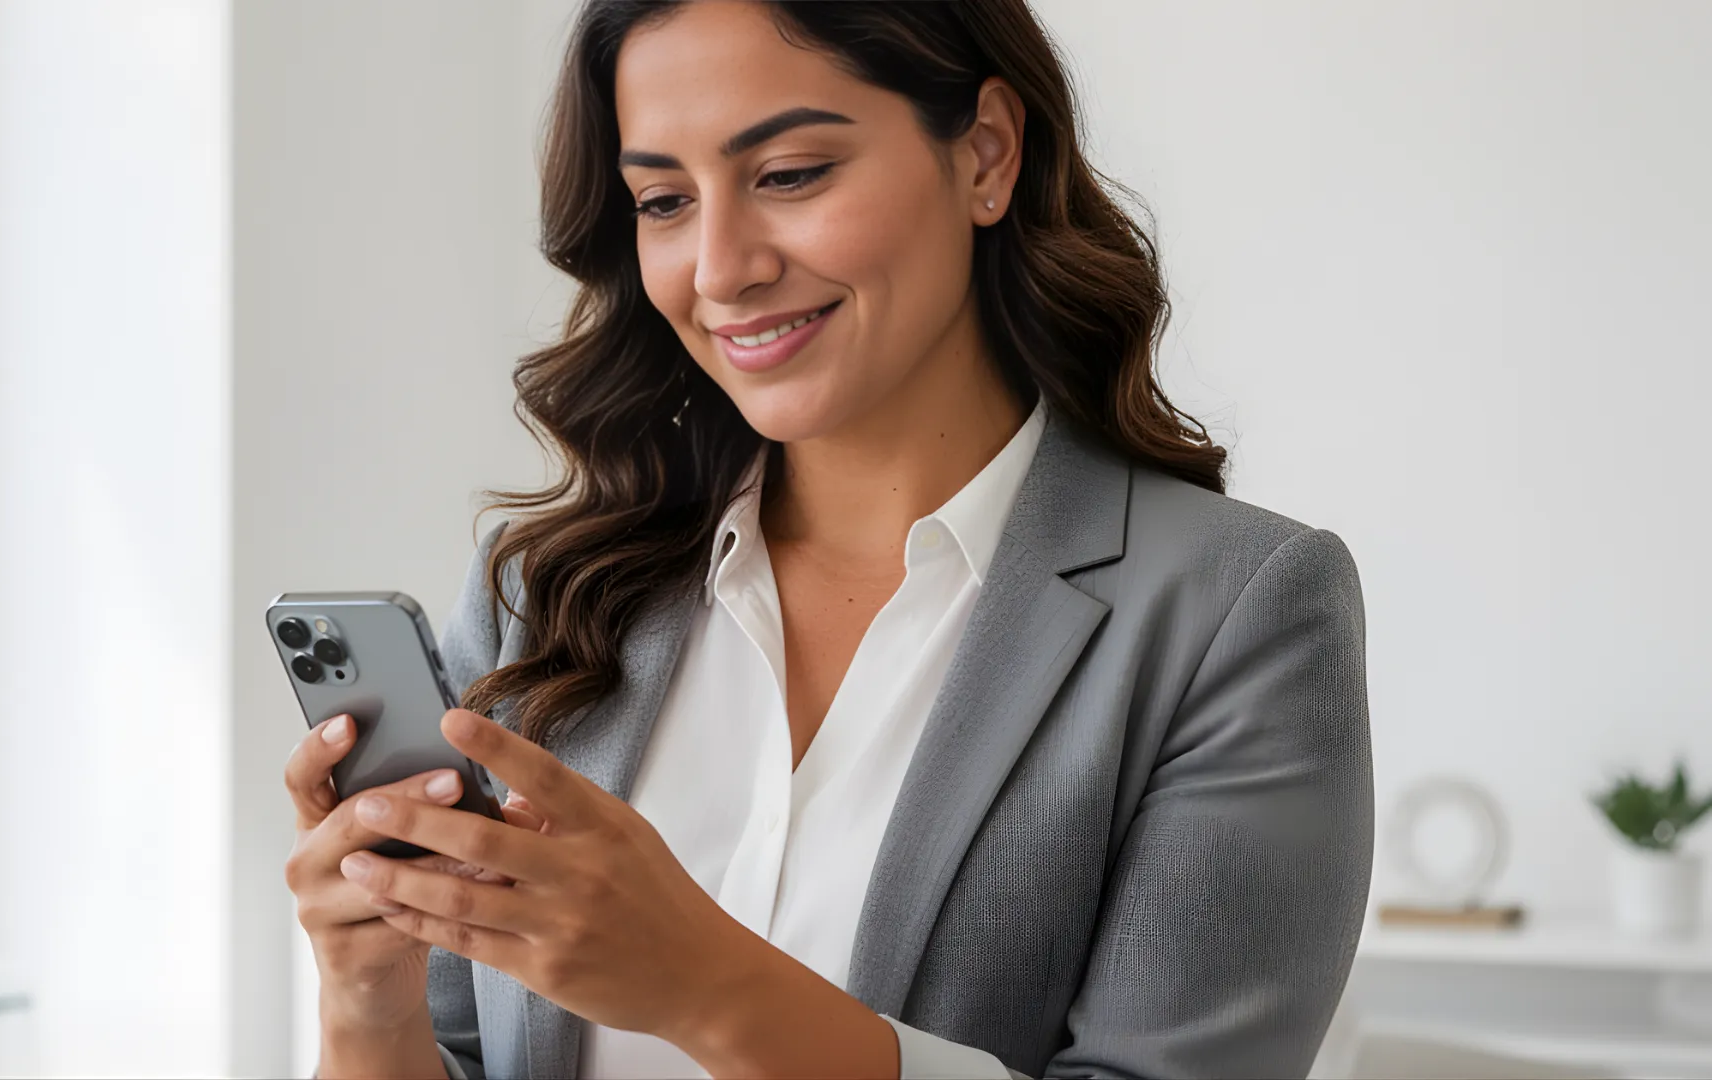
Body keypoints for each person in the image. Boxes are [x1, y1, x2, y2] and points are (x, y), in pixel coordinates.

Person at [282, 1, 1373, 1077]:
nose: (720, 269)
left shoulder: (1238, 609)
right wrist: (369, 1009)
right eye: (663, 199)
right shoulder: (546, 598)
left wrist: (704, 986)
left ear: (986, 154)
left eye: (790, 174)